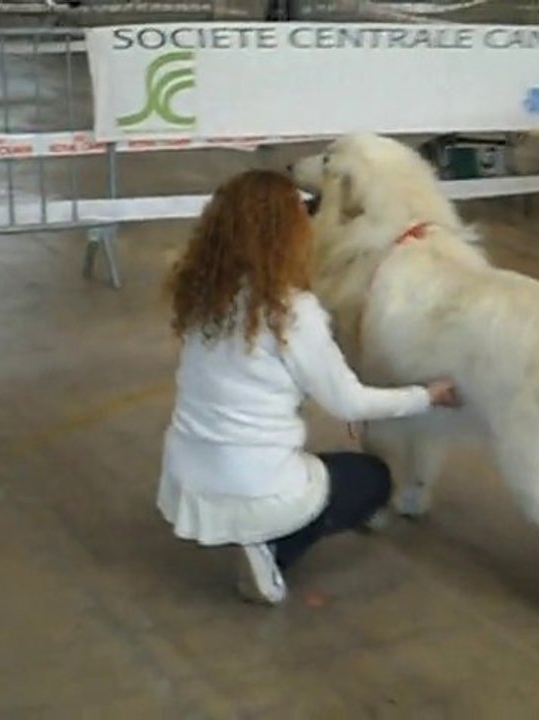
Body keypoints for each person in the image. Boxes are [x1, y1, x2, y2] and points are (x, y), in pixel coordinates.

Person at [157, 169, 458, 605]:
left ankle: (252, 532)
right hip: (252, 484)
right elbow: (347, 401)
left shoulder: (201, 292)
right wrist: (425, 396)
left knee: (300, 465)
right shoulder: (292, 312)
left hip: (187, 472)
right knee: (372, 479)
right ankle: (273, 549)